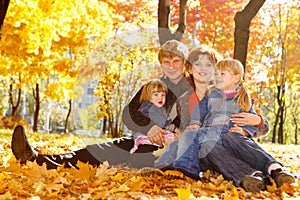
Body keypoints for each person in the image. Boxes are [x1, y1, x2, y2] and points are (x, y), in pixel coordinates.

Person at [11, 40, 191, 169]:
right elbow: (129, 114)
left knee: (130, 158)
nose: (171, 66)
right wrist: (149, 127)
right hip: (142, 140)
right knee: (96, 150)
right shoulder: (154, 86)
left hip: (170, 148)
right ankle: (37, 159)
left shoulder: (192, 88)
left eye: (176, 61)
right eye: (166, 62)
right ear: (161, 64)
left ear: (184, 64)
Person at [157, 59, 295, 192]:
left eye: (222, 73)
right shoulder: (210, 96)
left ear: (236, 78)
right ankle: (251, 177)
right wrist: (195, 124)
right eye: (216, 73)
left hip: (230, 138)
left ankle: (275, 170)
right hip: (209, 141)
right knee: (198, 142)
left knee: (232, 137)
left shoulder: (244, 100)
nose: (217, 76)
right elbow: (199, 113)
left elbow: (251, 123)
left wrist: (245, 131)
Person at [129, 79, 179, 154]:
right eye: (156, 94)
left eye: (163, 95)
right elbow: (160, 120)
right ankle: (174, 154)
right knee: (172, 138)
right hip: (146, 135)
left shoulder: (149, 106)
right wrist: (173, 128)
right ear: (148, 96)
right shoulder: (151, 107)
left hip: (142, 135)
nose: (160, 97)